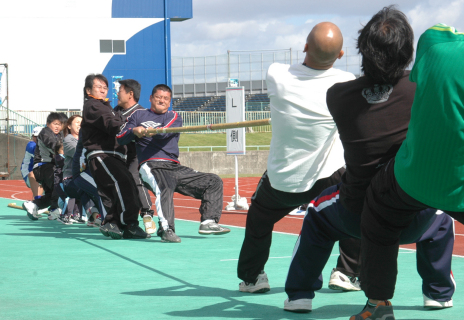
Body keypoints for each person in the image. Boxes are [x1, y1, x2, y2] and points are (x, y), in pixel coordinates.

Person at [283, 7, 456, 318]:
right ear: (407, 51)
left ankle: (299, 295)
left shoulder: (337, 95)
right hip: (417, 217)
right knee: (442, 218)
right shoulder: (423, 89)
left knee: (317, 212)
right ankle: (438, 293)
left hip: (355, 215)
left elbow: (368, 97)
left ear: (362, 49)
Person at [354, 20, 464, 320]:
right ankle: (439, 291)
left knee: (378, 214)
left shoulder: (438, 44)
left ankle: (377, 304)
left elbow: (440, 31)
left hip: (412, 176)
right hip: (458, 188)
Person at [236, 22, 355, 293]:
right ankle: (348, 272)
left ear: (304, 47)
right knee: (356, 203)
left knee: (258, 219)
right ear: (340, 55)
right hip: (329, 177)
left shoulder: (276, 74)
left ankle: (252, 278)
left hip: (283, 179)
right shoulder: (347, 83)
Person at [117, 84, 230, 243]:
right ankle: (166, 229)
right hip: (151, 165)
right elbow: (121, 137)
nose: (162, 101)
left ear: (169, 102)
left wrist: (150, 131)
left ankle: (208, 221)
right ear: (151, 98)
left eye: (165, 99)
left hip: (174, 167)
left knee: (213, 181)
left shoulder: (174, 116)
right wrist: (133, 131)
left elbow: (165, 133)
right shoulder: (138, 116)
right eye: (158, 97)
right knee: (165, 186)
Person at [80, 73, 149, 240]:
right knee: (123, 183)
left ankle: (125, 225)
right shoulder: (94, 105)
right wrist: (129, 129)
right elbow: (110, 123)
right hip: (102, 155)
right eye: (99, 87)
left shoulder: (108, 107)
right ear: (89, 90)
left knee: (127, 186)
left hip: (115, 156)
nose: (103, 91)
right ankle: (117, 223)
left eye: (105, 88)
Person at [114, 79, 155, 234]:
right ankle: (121, 219)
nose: (117, 93)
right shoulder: (115, 111)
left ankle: (147, 214)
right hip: (117, 155)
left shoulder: (141, 113)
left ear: (130, 94)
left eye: (120, 91)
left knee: (135, 177)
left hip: (135, 155)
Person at [22, 112, 63, 220]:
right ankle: (55, 210)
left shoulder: (58, 135)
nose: (57, 126)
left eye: (60, 124)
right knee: (58, 184)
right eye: (55, 123)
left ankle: (34, 205)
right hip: (44, 166)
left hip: (47, 167)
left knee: (51, 194)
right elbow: (54, 147)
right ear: (48, 123)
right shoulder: (45, 133)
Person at [61, 115, 99, 225]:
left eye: (82, 122)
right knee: (86, 188)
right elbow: (82, 153)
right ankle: (95, 215)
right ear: (69, 126)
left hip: (85, 177)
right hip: (70, 179)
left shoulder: (86, 140)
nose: (80, 124)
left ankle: (94, 217)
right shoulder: (68, 140)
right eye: (77, 122)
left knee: (95, 188)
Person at [20, 126, 44, 199]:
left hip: (40, 173)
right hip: (28, 173)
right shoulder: (31, 145)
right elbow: (37, 151)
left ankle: (36, 202)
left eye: (39, 136)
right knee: (39, 176)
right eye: (35, 136)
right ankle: (36, 201)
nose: (36, 139)